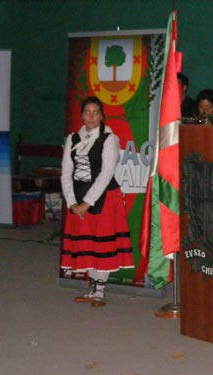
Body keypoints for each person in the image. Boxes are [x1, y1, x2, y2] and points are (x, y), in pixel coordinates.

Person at [60, 96, 134, 307]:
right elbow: (66, 173)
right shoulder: (73, 138)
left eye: (95, 112)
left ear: (102, 116)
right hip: (79, 196)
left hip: (104, 197)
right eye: (87, 112)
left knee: (101, 245)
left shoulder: (110, 139)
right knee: (88, 244)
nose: (91, 116)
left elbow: (106, 173)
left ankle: (100, 291)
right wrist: (72, 202)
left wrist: (87, 203)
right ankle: (91, 288)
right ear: (82, 115)